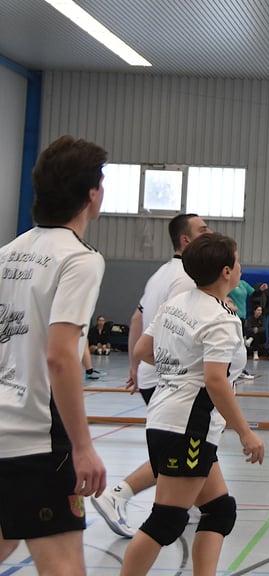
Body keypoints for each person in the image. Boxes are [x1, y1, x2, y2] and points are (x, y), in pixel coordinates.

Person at [120, 233, 264, 576]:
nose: (241, 266)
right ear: (227, 271)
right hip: (188, 427)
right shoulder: (221, 318)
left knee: (219, 511)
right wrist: (246, 433)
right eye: (238, 260)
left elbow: (142, 351)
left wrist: (177, 367)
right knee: (167, 521)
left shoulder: (178, 303)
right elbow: (215, 380)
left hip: (164, 418)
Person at [0, 135, 108, 574]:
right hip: (40, 442)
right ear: (90, 195)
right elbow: (62, 356)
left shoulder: (7, 255)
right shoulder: (79, 259)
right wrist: (83, 447)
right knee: (64, 567)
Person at [93, 212, 211, 538]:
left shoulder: (161, 273)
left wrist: (135, 366)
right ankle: (119, 495)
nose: (210, 232)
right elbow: (179, 330)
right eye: (203, 229)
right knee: (179, 449)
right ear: (186, 241)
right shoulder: (188, 278)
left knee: (193, 449)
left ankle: (192, 503)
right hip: (170, 378)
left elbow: (137, 319)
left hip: (150, 373)